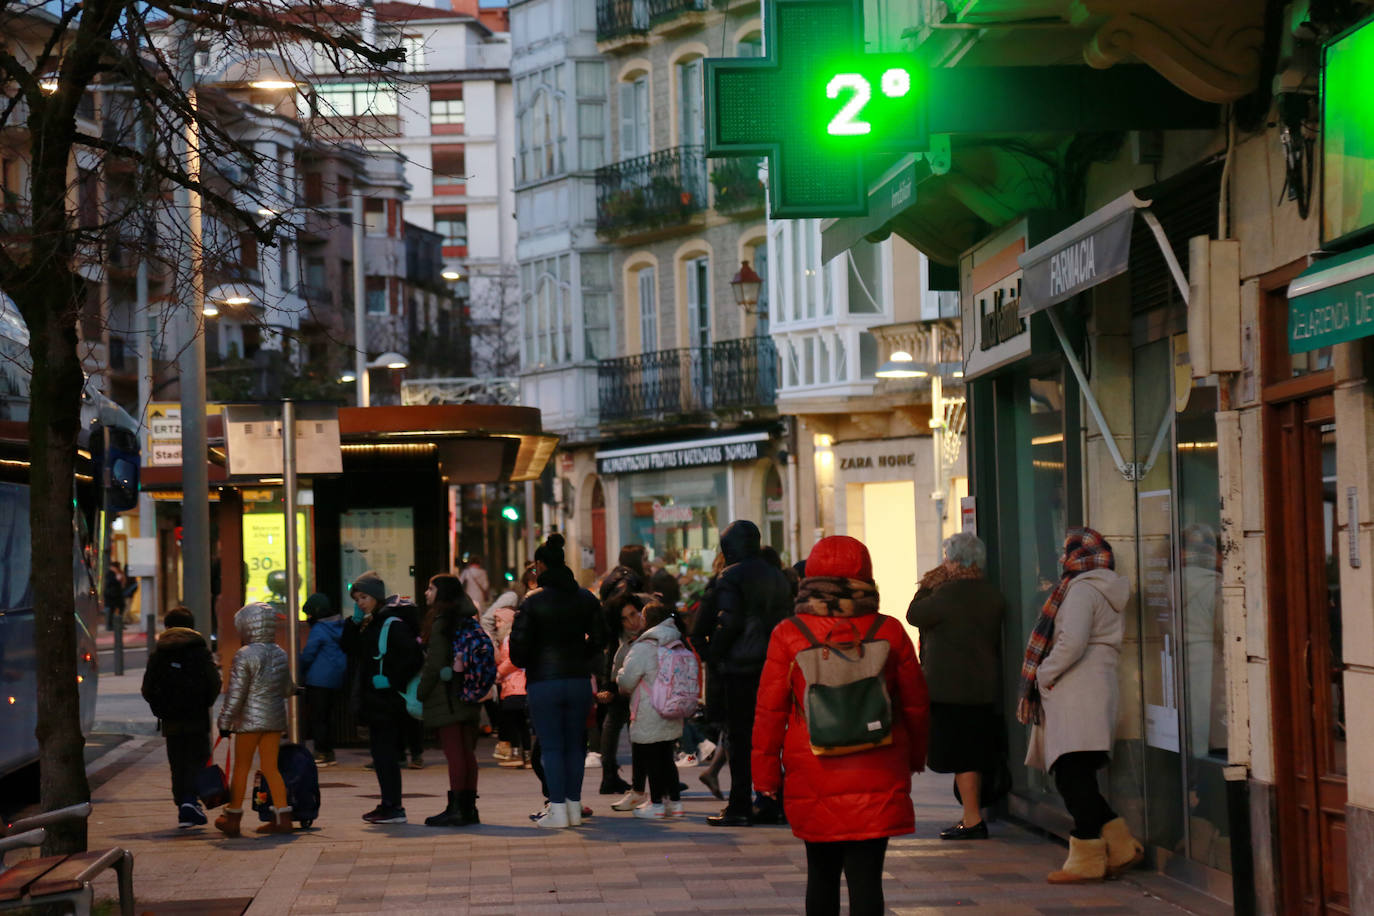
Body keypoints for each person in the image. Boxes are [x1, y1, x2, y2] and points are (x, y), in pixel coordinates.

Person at [753, 535, 930, 916]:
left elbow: (769, 712)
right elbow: (916, 705)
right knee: (867, 879)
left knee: (820, 874)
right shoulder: (890, 630)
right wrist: (915, 756)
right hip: (879, 768)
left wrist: (765, 776)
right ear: (866, 576)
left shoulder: (788, 634)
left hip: (813, 771)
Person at [1016, 527, 1145, 883]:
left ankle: (1087, 857)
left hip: (1076, 688)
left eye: (1066, 552)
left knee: (1071, 774)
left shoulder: (1081, 590)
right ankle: (1120, 846)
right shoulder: (1104, 587)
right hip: (1094, 686)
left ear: (1075, 556)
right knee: (1078, 773)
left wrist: (1043, 673)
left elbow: (1072, 642)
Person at [907, 532, 1007, 840]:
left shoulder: (946, 594)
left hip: (950, 689)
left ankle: (972, 818)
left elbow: (914, 615)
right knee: (973, 752)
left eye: (948, 558)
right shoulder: (992, 594)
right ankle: (972, 814)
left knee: (962, 755)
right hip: (984, 686)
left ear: (956, 561)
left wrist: (926, 585)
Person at [694, 520, 791, 827]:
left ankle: (739, 805)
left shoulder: (730, 576)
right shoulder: (777, 576)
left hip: (739, 668)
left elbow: (728, 622)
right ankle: (772, 801)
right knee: (770, 738)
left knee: (740, 738)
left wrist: (715, 655)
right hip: (773, 665)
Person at [509, 533, 607, 829]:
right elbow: (602, 637)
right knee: (575, 746)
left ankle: (558, 810)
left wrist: (534, 660)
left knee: (551, 747)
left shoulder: (532, 601)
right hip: (578, 681)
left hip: (544, 682)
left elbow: (517, 650)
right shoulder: (585, 597)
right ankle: (574, 808)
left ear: (540, 565)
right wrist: (582, 655)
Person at [341, 570, 424, 825]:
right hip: (375, 700)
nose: (360, 603)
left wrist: (391, 680)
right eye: (356, 599)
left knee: (385, 754)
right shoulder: (373, 622)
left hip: (386, 702)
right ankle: (389, 803)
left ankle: (393, 806)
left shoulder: (391, 623)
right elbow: (351, 649)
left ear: (376, 596)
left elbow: (413, 657)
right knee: (381, 755)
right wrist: (353, 623)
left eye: (364, 597)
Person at [214, 602, 294, 837]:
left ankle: (233, 817)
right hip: (275, 719)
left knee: (242, 767)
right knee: (271, 767)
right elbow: (287, 688)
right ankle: (283, 818)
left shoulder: (244, 654)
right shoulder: (280, 652)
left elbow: (236, 693)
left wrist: (225, 721)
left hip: (249, 721)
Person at [141, 605, 221, 828]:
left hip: (172, 721)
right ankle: (191, 801)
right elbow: (214, 683)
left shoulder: (159, 654)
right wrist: (204, 703)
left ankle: (185, 805)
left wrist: (162, 709)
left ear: (167, 627)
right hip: (197, 718)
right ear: (192, 626)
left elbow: (147, 689)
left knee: (178, 763)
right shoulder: (200, 651)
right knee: (198, 759)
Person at [417, 573, 485, 827]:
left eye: (431, 588)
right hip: (469, 692)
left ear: (442, 593)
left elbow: (435, 663)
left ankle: (457, 808)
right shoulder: (467, 618)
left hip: (447, 696)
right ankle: (468, 808)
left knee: (455, 753)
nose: (426, 592)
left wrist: (421, 692)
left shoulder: (442, 621)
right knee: (467, 753)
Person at [615, 598, 688, 819]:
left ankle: (656, 805)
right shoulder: (676, 641)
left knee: (653, 758)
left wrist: (618, 675)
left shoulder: (644, 647)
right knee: (667, 757)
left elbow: (627, 681)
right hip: (672, 707)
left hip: (649, 709)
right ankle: (675, 804)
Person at [598, 589, 646, 797]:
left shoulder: (651, 631)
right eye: (625, 619)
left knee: (639, 733)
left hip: (644, 688)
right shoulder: (617, 638)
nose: (631, 622)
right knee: (616, 725)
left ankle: (644, 780)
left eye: (633, 614)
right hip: (622, 687)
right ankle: (610, 776)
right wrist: (607, 687)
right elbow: (611, 663)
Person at [299, 592, 345, 767]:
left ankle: (320, 752)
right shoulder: (340, 625)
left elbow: (309, 653)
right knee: (328, 717)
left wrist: (299, 666)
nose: (309, 618)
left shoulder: (319, 629)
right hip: (336, 679)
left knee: (318, 718)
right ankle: (329, 752)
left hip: (318, 680)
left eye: (309, 614)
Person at [104, 559, 126, 631]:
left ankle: (117, 624)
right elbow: (111, 582)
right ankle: (111, 625)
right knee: (112, 610)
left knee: (119, 608)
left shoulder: (115, 572)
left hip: (116, 594)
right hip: (112, 595)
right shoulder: (111, 573)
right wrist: (117, 579)